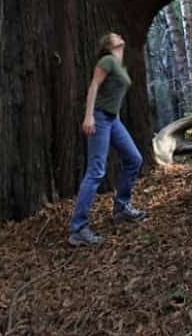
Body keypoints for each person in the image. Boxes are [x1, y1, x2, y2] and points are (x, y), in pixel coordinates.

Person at [69, 31, 146, 247]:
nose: (120, 35)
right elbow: (94, 86)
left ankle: (121, 208)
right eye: (115, 36)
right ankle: (78, 229)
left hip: (113, 120)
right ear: (109, 44)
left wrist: (117, 118)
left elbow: (114, 95)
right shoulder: (107, 60)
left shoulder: (119, 65)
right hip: (99, 118)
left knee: (134, 159)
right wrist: (89, 116)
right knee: (96, 171)